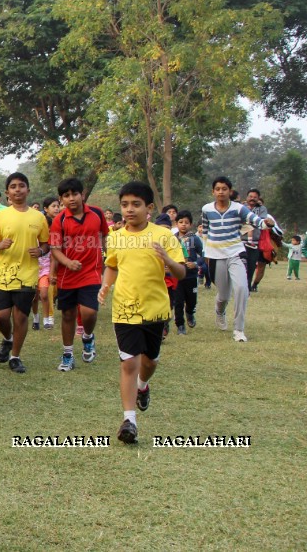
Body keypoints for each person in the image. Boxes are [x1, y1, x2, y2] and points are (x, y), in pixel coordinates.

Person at [98, 181, 186, 444]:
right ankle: (129, 420)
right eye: (124, 205)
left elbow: (181, 272)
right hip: (124, 309)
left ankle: (143, 386)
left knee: (149, 363)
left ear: (149, 207)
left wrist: (168, 261)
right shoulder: (115, 237)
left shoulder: (163, 236)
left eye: (135, 204)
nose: (129, 210)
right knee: (129, 363)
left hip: (155, 310)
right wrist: (105, 285)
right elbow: (112, 265)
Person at [0, 172, 50, 374]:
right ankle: (7, 339)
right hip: (3, 274)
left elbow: (46, 244)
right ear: (7, 192)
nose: (17, 190)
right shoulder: (1, 216)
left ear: (28, 190)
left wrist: (40, 251)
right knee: (2, 317)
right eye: (13, 186)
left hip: (28, 273)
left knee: (21, 317)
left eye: (21, 186)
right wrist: (0, 244)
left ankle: (15, 356)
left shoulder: (38, 217)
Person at [200, 176, 274, 343]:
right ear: (213, 192)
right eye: (217, 189)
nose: (221, 192)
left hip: (236, 253)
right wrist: (206, 251)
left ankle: (239, 330)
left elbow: (255, 221)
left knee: (242, 288)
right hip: (216, 256)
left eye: (224, 189)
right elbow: (205, 230)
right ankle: (220, 311)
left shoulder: (239, 208)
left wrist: (266, 223)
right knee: (224, 295)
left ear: (230, 191)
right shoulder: (206, 209)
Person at [49, 178, 110, 372]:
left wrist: (110, 257)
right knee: (68, 315)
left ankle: (87, 337)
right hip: (67, 275)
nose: (71, 198)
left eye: (74, 194)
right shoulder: (60, 220)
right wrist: (67, 262)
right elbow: (55, 249)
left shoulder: (98, 213)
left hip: (91, 272)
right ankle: (67, 354)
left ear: (82, 195)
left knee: (89, 312)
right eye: (66, 196)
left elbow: (105, 237)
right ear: (61, 199)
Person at [32, 197, 60, 331]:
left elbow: (54, 255)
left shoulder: (52, 238)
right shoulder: (32, 239)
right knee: (34, 297)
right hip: (32, 270)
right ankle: (36, 318)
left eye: (57, 206)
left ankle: (47, 319)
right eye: (53, 206)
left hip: (45, 270)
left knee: (45, 294)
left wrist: (51, 272)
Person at [174, 211, 204, 334]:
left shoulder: (195, 239)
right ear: (176, 224)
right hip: (177, 276)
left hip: (191, 276)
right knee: (178, 301)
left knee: (191, 300)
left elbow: (204, 255)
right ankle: (180, 325)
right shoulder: (173, 239)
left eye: (186, 222)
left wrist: (195, 264)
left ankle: (190, 313)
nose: (183, 225)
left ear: (191, 224)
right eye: (181, 222)